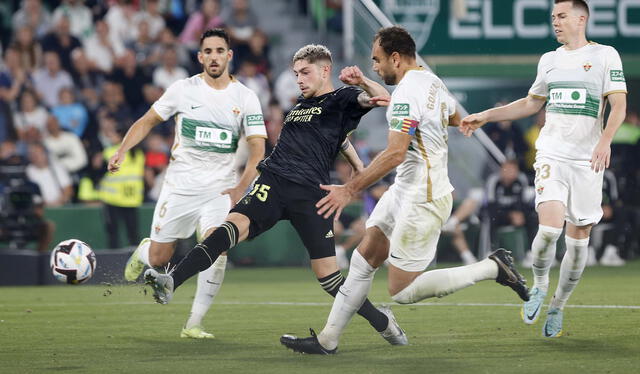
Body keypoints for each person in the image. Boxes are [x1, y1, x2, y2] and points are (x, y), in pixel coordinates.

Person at [278, 26, 529, 354]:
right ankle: (328, 340)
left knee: (402, 291)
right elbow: (452, 116)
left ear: (395, 58)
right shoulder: (430, 81)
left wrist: (350, 188)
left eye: (377, 61)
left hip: (422, 198)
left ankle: (494, 267)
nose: (375, 68)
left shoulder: (409, 92)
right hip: (407, 189)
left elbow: (395, 153)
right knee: (363, 259)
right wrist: (369, 86)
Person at [144, 42, 411, 346]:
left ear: (326, 71)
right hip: (273, 181)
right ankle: (171, 281)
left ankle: (383, 321)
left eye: (305, 72)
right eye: (296, 73)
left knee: (330, 280)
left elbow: (384, 98)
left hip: (312, 194)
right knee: (226, 230)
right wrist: (357, 163)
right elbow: (335, 139)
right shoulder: (299, 105)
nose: (299, 79)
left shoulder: (343, 98)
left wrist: (362, 80)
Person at [460, 0, 627, 338]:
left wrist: (605, 140)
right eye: (553, 17)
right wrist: (487, 115)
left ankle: (558, 306)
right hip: (551, 153)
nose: (556, 22)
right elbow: (531, 103)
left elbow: (619, 104)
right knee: (549, 230)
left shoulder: (605, 55)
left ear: (582, 18)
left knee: (578, 242)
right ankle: (537, 285)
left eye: (562, 16)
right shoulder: (548, 60)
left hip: (588, 160)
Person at [111, 29, 267, 339]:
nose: (213, 56)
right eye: (207, 51)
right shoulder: (183, 90)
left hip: (220, 189)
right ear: (199, 57)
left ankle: (194, 323)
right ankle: (144, 252)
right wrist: (121, 150)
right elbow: (147, 121)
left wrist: (240, 188)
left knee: (217, 247)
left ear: (229, 55)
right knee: (160, 259)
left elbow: (258, 150)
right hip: (180, 186)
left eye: (219, 50)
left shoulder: (246, 97)